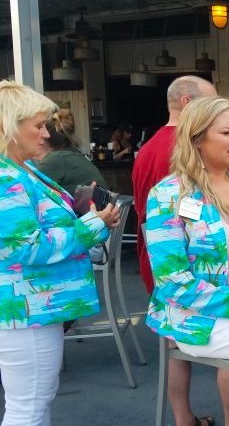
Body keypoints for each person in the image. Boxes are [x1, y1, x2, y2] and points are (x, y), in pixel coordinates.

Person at [145, 96, 229, 426]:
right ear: (197, 137)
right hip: (200, 317)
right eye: (227, 132)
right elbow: (172, 282)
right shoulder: (168, 196)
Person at [0, 80, 119, 425]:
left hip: (33, 307)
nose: (45, 134)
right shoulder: (8, 177)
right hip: (27, 309)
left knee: (33, 403)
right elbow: (25, 246)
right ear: (9, 124)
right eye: (38, 125)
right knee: (29, 408)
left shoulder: (24, 170)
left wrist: (81, 207)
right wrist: (93, 226)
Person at [131, 75, 219, 426]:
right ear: (187, 104)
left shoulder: (147, 148)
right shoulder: (187, 150)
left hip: (152, 264)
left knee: (175, 347)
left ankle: (184, 419)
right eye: (209, 104)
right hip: (185, 267)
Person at [37, 109, 108, 196]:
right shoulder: (73, 155)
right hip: (102, 207)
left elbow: (33, 195)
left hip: (92, 209)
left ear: (45, 137)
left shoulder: (54, 160)